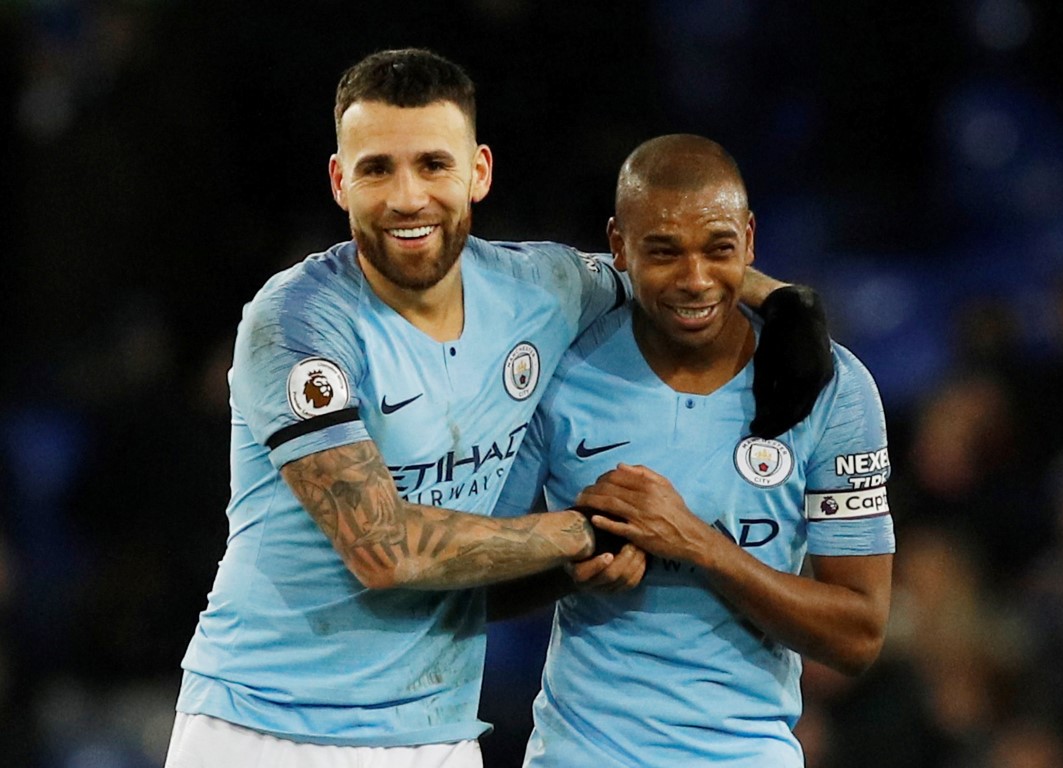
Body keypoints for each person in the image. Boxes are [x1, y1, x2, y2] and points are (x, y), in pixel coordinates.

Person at [164, 49, 832, 767]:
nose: (408, 197)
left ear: (478, 171)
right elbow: (381, 547)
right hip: (264, 728)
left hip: (436, 734)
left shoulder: (539, 287)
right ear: (339, 181)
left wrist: (782, 302)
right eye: (376, 169)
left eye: (432, 165)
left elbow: (666, 266)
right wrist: (581, 534)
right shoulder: (297, 321)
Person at [492, 134, 895, 767]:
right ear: (618, 246)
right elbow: (481, 584)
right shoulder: (559, 370)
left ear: (751, 240)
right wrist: (570, 557)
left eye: (719, 249)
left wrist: (698, 545)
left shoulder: (831, 388)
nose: (696, 279)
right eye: (664, 252)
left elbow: (859, 634)